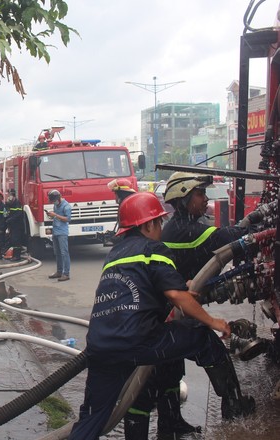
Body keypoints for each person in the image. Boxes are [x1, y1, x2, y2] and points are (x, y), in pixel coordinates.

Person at [68, 192, 255, 440]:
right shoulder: (154, 249)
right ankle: (233, 404)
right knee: (201, 336)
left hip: (100, 346)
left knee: (92, 418)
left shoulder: (114, 255)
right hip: (139, 340)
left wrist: (181, 286)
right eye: (158, 222)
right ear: (147, 225)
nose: (161, 227)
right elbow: (177, 296)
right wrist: (214, 322)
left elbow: (141, 289)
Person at [122, 172, 256, 439]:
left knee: (169, 367)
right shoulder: (186, 230)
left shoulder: (168, 231)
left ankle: (171, 422)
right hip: (162, 316)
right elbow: (227, 239)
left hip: (156, 316)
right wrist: (256, 220)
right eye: (199, 194)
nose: (205, 199)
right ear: (183, 198)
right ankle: (233, 405)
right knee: (209, 346)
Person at [47, 189, 71, 281]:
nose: (53, 202)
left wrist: (55, 215)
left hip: (62, 232)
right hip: (56, 231)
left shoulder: (66, 206)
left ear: (58, 198)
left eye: (53, 200)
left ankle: (66, 273)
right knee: (57, 253)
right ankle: (59, 271)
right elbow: (56, 216)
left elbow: (68, 219)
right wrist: (51, 215)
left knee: (64, 253)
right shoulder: (56, 205)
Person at [5, 189, 24, 261]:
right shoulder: (9, 203)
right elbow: (6, 212)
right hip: (12, 225)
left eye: (11, 194)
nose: (10, 196)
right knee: (13, 240)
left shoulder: (17, 202)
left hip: (17, 225)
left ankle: (17, 256)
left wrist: (10, 219)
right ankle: (14, 255)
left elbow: (18, 214)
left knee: (16, 240)